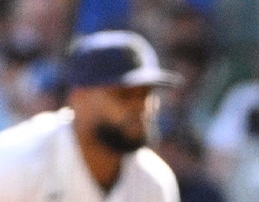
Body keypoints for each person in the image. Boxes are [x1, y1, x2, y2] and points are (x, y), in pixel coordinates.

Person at [0, 29, 182, 201]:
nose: (141, 106)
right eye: (123, 95)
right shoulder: (14, 162)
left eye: (145, 93)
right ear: (78, 97)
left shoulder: (154, 181)